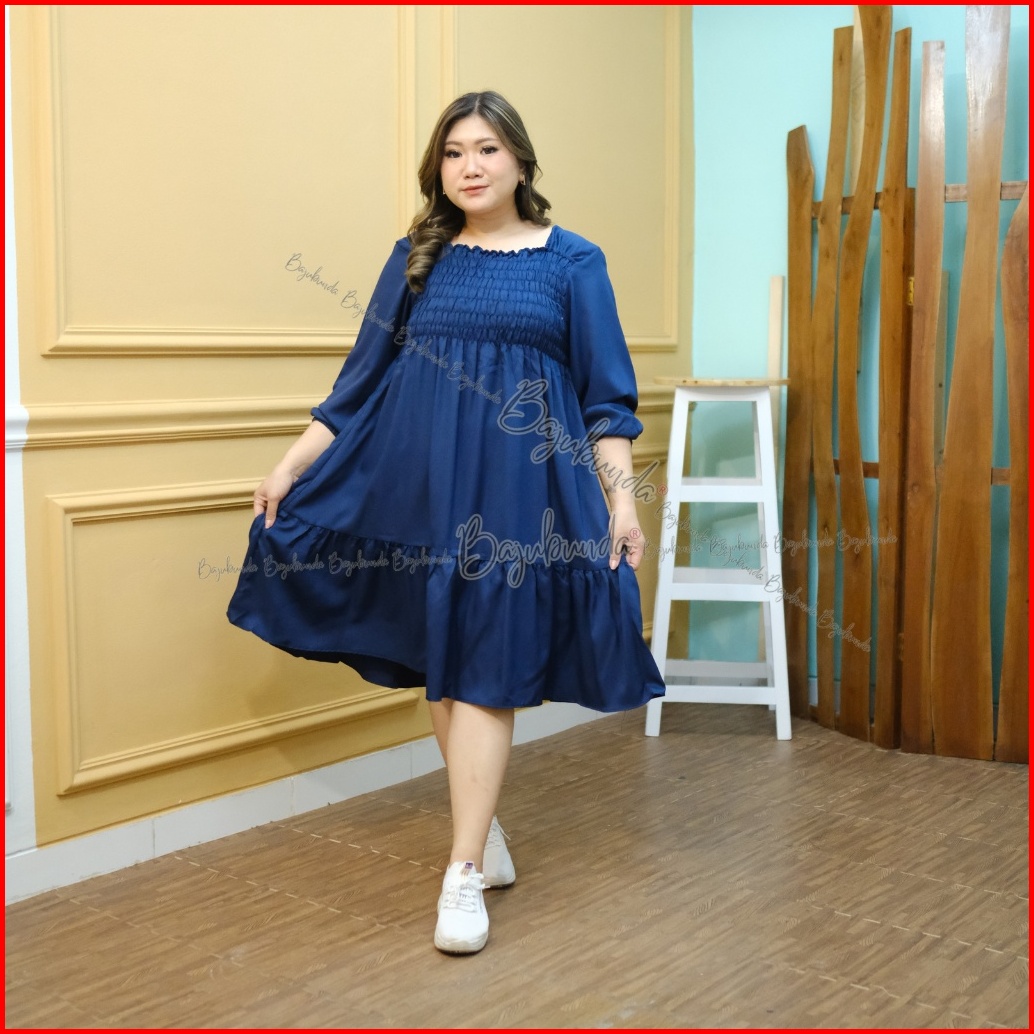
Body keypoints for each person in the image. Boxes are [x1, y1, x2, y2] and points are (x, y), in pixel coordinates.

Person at [227, 90, 664, 955]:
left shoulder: (573, 262)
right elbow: (358, 384)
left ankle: (461, 871)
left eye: (488, 149)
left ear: (521, 161)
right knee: (446, 667)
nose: (471, 166)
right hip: (417, 492)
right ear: (439, 168)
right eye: (455, 152)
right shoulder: (416, 258)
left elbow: (607, 402)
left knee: (487, 669)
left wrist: (621, 501)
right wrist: (290, 465)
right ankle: (480, 831)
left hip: (520, 502)